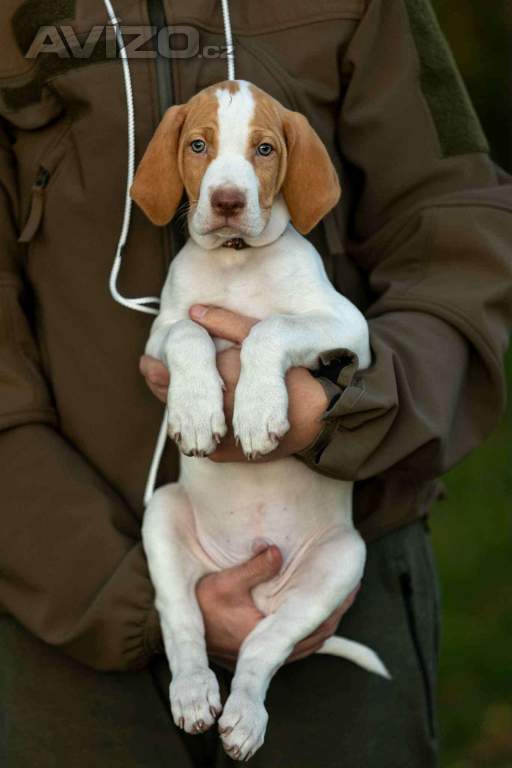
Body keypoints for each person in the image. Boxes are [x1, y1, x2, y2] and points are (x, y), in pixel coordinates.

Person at [0, 1, 510, 766]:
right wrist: (102, 588)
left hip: (335, 580)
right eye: (203, 148)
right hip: (51, 588)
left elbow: (451, 219)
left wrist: (344, 411)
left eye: (258, 152)